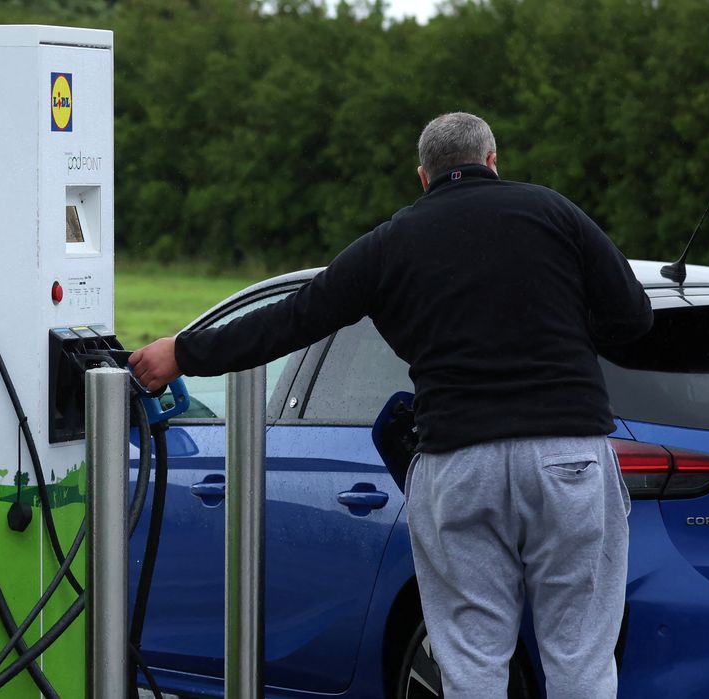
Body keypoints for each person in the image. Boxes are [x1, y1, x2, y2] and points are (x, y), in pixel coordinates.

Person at [129, 111, 652, 699]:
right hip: (568, 457)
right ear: (493, 160)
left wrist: (183, 352)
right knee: (580, 656)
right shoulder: (555, 213)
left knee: (473, 660)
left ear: (423, 177)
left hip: (458, 462)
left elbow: (294, 318)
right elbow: (633, 318)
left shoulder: (391, 243)